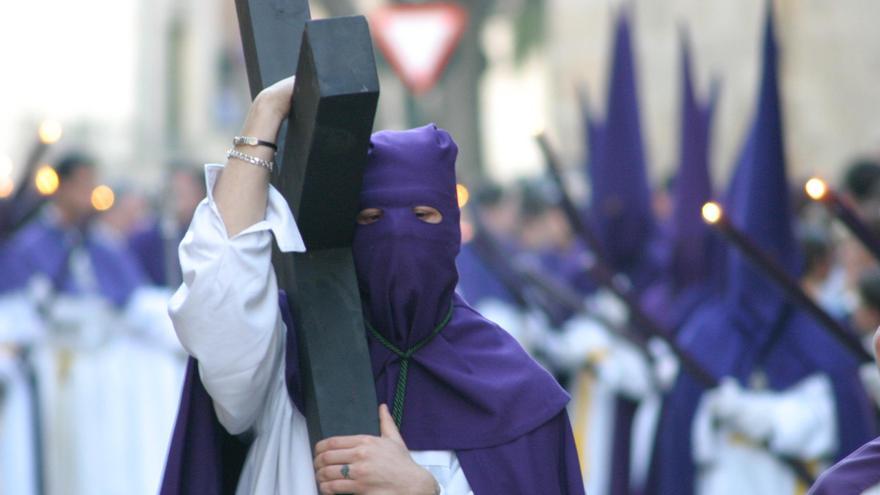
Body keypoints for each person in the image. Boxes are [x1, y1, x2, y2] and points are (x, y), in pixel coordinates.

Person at [160, 75, 584, 495]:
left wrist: (424, 491)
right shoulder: (286, 349)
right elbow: (217, 294)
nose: (398, 235)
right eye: (371, 219)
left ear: (452, 230)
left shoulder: (515, 392)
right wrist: (264, 115)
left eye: (423, 215)